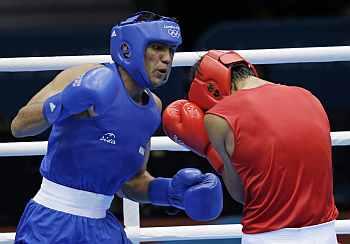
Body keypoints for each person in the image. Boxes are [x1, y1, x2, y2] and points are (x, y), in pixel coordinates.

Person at [11, 12, 223, 244]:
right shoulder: (85, 75)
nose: (166, 58)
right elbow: (20, 125)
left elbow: (131, 182)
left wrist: (170, 192)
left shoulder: (153, 107)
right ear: (127, 49)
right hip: (51, 222)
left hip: (102, 227)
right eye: (158, 48)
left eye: (171, 50)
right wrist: (64, 101)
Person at [163, 50, 339, 243]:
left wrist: (209, 150)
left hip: (265, 235)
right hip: (326, 233)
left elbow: (241, 194)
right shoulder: (309, 97)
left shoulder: (219, 117)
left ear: (212, 90)